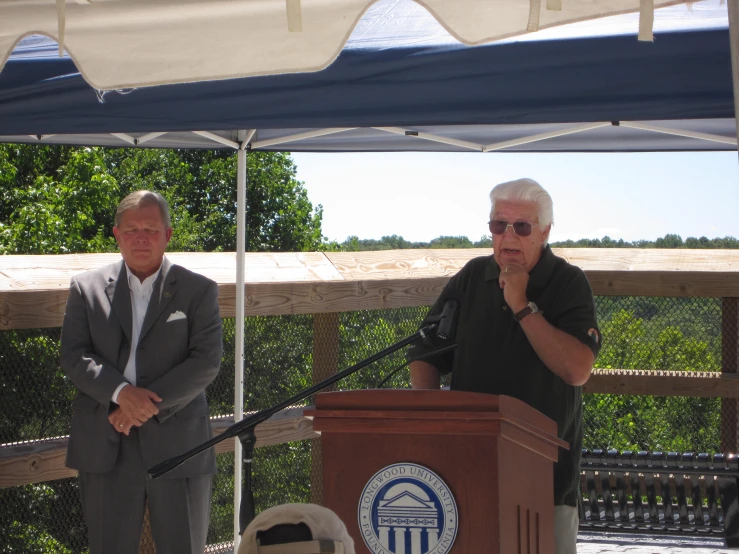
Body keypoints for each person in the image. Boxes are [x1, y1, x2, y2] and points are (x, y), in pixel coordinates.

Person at [408, 178, 601, 554]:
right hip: (466, 475)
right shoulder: (472, 277)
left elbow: (577, 369)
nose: (508, 236)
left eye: (522, 227)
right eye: (499, 225)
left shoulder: (567, 283)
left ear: (544, 232)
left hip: (545, 482)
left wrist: (521, 305)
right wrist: (429, 425)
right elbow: (426, 353)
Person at [60, 190, 223, 554]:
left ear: (168, 234)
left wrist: (143, 406)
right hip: (105, 438)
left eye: (151, 229)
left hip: (178, 441)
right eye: (131, 229)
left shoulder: (199, 291)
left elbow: (206, 361)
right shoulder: (85, 289)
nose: (141, 238)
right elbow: (74, 355)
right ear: (116, 235)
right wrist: (121, 394)